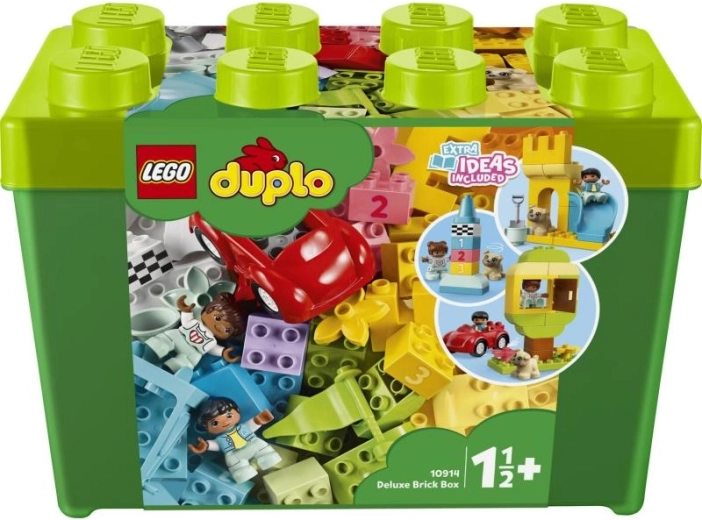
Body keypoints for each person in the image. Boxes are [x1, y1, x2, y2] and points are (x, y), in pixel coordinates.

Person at [189, 397, 281, 484]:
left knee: (260, 446)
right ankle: (242, 472)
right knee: (234, 462)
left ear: (237, 411)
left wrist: (259, 419)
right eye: (215, 423)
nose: (225, 422)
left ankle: (268, 457)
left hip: (252, 445)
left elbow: (253, 423)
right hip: (236, 455)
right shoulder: (220, 440)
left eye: (229, 416)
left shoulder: (243, 427)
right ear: (207, 428)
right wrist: (206, 446)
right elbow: (216, 445)